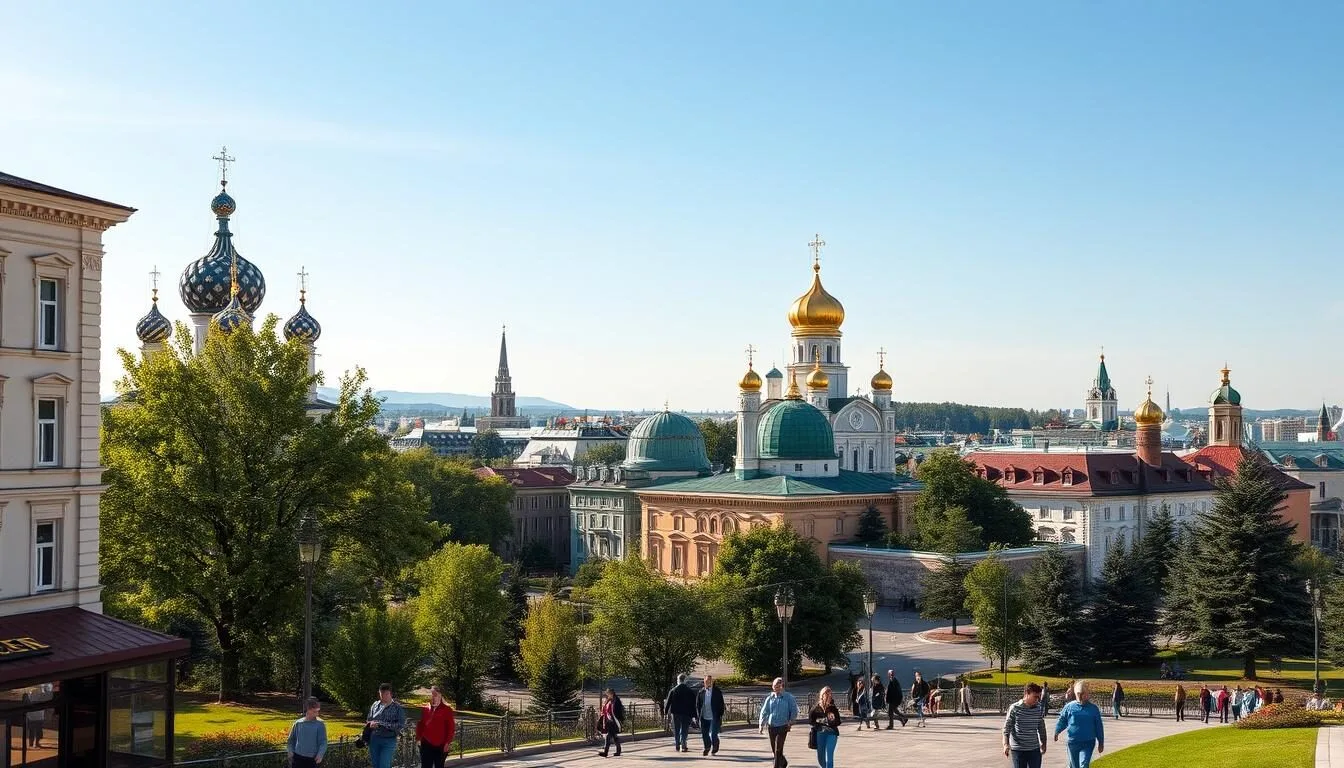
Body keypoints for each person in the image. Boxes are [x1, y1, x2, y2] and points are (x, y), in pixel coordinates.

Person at [1054, 680, 1104, 768]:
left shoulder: (1093, 709)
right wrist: (1057, 731)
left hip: (1088, 742)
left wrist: (1101, 742)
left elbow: (1098, 726)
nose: (1082, 696)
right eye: (1080, 694)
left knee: (1084, 764)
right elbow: (1062, 720)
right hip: (1073, 742)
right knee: (1074, 765)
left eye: (1084, 693)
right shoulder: (1069, 707)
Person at [1003, 683, 1048, 768]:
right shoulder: (1014, 708)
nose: (1037, 700)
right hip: (1018, 750)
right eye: (1035, 697)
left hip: (1034, 749)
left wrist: (1044, 743)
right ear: (1027, 693)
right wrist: (1005, 744)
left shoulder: (1038, 708)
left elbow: (1041, 728)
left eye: (1039, 697)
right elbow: (1007, 728)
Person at [758, 678, 798, 768]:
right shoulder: (770, 698)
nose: (776, 689)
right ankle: (783, 762)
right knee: (774, 749)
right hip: (772, 726)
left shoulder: (788, 697)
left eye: (778, 686)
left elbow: (794, 710)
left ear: (782, 687)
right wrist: (761, 724)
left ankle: (776, 766)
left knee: (778, 749)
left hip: (783, 725)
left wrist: (791, 722)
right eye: (775, 686)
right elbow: (764, 711)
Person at [366, 684, 406, 768]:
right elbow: (369, 719)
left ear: (391, 694)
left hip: (389, 740)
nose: (384, 696)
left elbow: (400, 725)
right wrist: (370, 724)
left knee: (384, 765)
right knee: (375, 765)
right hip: (374, 739)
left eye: (386, 694)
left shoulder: (397, 708)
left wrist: (382, 725)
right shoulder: (375, 705)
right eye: (381, 694)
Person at [415, 686, 455, 768]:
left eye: (435, 694)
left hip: (441, 744)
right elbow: (420, 724)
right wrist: (418, 739)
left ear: (440, 696)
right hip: (426, 743)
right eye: (431, 694)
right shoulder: (425, 708)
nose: (433, 696)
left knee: (439, 766)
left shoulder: (447, 710)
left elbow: (451, 728)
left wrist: (447, 743)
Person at [287, 697, 328, 768]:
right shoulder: (298, 723)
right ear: (308, 710)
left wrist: (320, 755)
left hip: (312, 759)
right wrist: (290, 751)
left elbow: (323, 742)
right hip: (297, 758)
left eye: (318, 711)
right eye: (315, 711)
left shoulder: (320, 724)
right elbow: (291, 740)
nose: (317, 714)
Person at [808, 686, 842, 768]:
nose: (829, 697)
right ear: (822, 695)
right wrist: (819, 724)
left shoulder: (832, 708)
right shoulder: (816, 708)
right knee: (821, 758)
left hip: (831, 733)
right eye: (827, 695)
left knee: (829, 757)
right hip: (820, 734)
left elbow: (838, 721)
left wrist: (832, 721)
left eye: (830, 695)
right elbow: (811, 720)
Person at [665, 674, 697, 753]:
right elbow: (694, 704)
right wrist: (695, 715)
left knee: (676, 728)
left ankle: (677, 744)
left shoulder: (673, 690)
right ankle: (684, 744)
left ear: (678, 680)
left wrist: (665, 712)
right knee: (684, 729)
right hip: (687, 713)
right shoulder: (690, 691)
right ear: (685, 680)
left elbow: (668, 702)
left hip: (676, 713)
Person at [696, 675, 726, 756]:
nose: (708, 683)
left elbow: (721, 704)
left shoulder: (717, 692)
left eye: (709, 681)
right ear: (704, 682)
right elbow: (698, 705)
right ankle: (707, 747)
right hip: (704, 716)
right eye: (706, 681)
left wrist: (720, 714)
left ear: (712, 682)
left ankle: (715, 746)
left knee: (713, 734)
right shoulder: (701, 692)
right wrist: (698, 715)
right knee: (704, 734)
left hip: (714, 716)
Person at [597, 688, 623, 757]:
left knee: (608, 737)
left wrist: (617, 719)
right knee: (614, 736)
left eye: (608, 694)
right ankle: (618, 750)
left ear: (611, 693)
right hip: (609, 721)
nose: (607, 695)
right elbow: (605, 709)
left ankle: (606, 752)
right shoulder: (609, 700)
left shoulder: (616, 700)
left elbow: (618, 711)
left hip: (613, 721)